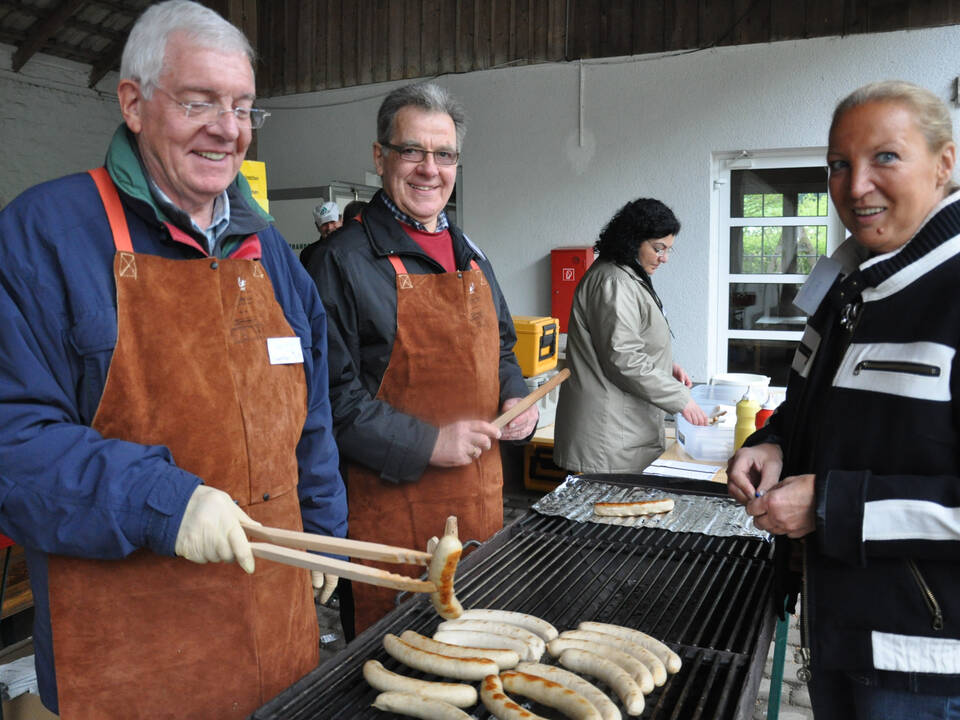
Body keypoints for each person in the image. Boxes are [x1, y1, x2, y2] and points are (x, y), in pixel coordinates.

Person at [0, 2, 347, 717]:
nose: (228, 128)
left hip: (277, 644)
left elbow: (310, 414)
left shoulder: (271, 252)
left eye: (244, 107)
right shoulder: (44, 236)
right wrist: (164, 500)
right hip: (130, 658)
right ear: (133, 102)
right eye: (201, 102)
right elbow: (13, 442)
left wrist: (326, 529)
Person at [727, 80, 960, 720]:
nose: (855, 187)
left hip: (927, 667)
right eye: (838, 164)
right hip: (837, 631)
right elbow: (808, 406)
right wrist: (771, 443)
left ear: (945, 164)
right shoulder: (845, 285)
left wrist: (830, 506)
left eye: (886, 157)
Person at [305, 81, 537, 634]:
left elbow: (502, 346)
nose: (429, 169)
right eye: (412, 150)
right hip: (389, 518)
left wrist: (515, 392)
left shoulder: (470, 253)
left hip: (479, 506)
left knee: (475, 648)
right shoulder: (338, 261)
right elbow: (330, 400)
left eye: (444, 154)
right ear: (380, 156)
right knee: (396, 666)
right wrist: (430, 443)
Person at [554, 198, 708, 474]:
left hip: (620, 429)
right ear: (632, 240)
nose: (664, 258)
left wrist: (664, 366)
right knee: (609, 513)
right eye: (658, 248)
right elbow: (623, 359)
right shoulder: (614, 282)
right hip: (608, 436)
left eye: (669, 250)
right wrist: (681, 399)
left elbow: (623, 343)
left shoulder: (625, 274)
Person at [300, 200, 342, 268]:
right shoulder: (308, 253)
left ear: (341, 221)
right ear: (317, 227)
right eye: (324, 224)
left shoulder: (353, 247)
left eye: (332, 221)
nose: (329, 227)